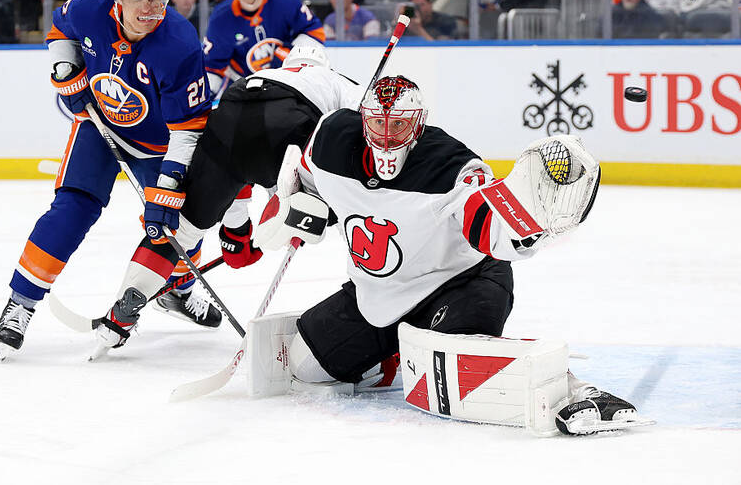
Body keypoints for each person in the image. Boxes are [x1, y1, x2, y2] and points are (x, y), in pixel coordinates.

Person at [250, 74, 646, 435]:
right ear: (363, 118)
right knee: (304, 366)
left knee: (455, 369)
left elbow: (489, 230)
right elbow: (307, 179)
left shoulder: (452, 165)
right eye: (377, 123)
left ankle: (577, 392)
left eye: (399, 125)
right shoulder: (332, 138)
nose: (386, 136)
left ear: (418, 125)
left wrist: (526, 228)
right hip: (380, 297)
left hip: (463, 284)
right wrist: (293, 206)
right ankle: (390, 358)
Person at [0, 0, 214, 360]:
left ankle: (178, 291)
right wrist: (65, 71)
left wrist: (166, 189)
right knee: (71, 209)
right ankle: (20, 304)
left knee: (176, 226)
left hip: (160, 145)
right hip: (99, 126)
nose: (150, 7)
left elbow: (189, 129)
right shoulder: (90, 6)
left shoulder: (180, 45)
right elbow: (60, 28)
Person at [93, 44, 366, 352]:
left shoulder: (266, 72)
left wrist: (236, 232)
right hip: (290, 120)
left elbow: (239, 174)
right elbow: (366, 121)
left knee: (183, 229)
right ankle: (294, 214)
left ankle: (119, 318)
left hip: (231, 112)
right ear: (324, 64)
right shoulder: (333, 79)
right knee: (312, 206)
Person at [202, 0, 326, 99]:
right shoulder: (221, 17)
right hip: (242, 84)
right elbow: (212, 67)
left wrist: (289, 56)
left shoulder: (286, 0)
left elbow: (315, 32)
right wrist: (204, 97)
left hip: (288, 80)